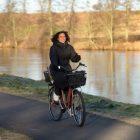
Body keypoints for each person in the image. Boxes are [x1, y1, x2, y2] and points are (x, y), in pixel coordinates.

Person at [49, 31, 81, 98]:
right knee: (59, 81)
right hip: (56, 69)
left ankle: (69, 102)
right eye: (61, 36)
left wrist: (77, 58)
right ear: (57, 38)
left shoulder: (69, 47)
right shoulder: (54, 48)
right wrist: (57, 65)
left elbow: (73, 57)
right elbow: (53, 59)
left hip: (67, 68)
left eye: (64, 36)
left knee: (71, 82)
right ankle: (56, 94)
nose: (63, 38)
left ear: (66, 37)